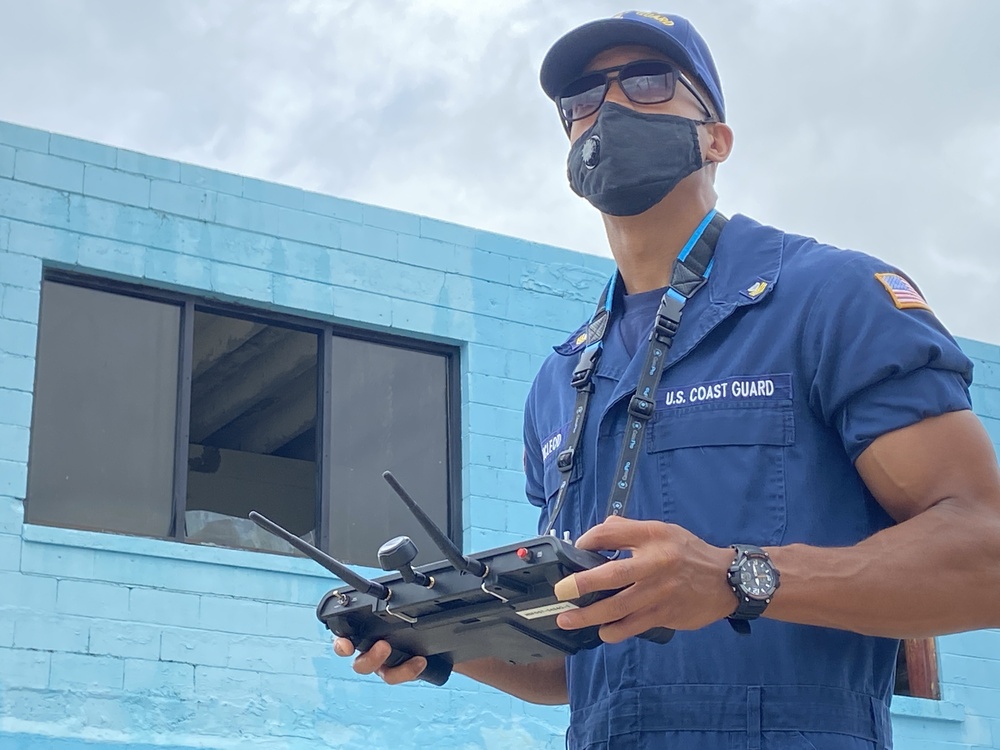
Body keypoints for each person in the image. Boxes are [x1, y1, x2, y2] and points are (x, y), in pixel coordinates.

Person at [335, 11, 1000, 748]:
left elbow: (985, 554)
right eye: (581, 98)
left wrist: (734, 579)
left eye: (648, 81)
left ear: (717, 138)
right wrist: (440, 642)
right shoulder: (561, 381)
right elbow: (574, 663)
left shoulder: (831, 298)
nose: (608, 109)